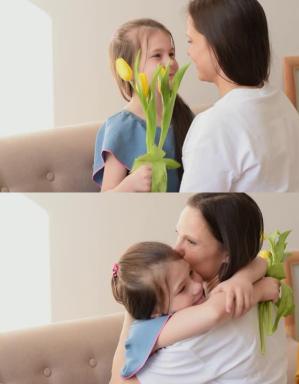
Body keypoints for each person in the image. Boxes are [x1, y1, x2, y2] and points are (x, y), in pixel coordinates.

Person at [110, 193, 287, 383]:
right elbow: (259, 261)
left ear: (228, 252)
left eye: (191, 241)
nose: (176, 250)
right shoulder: (257, 280)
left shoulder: (197, 337)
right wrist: (250, 283)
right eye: (178, 235)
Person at [180, 0, 299, 192]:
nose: (188, 52)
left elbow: (197, 206)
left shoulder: (214, 126)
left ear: (217, 43)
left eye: (191, 41)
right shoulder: (282, 104)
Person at [110, 242, 279, 379]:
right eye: (182, 288)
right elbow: (214, 311)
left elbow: (258, 261)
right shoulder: (150, 329)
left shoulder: (164, 310)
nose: (197, 286)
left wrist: (243, 278)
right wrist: (258, 291)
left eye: (190, 272)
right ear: (156, 313)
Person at [93, 19, 194, 192]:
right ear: (128, 68)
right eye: (157, 55)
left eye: (171, 54)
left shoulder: (182, 115)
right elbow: (107, 200)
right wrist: (130, 185)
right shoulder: (121, 127)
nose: (170, 62)